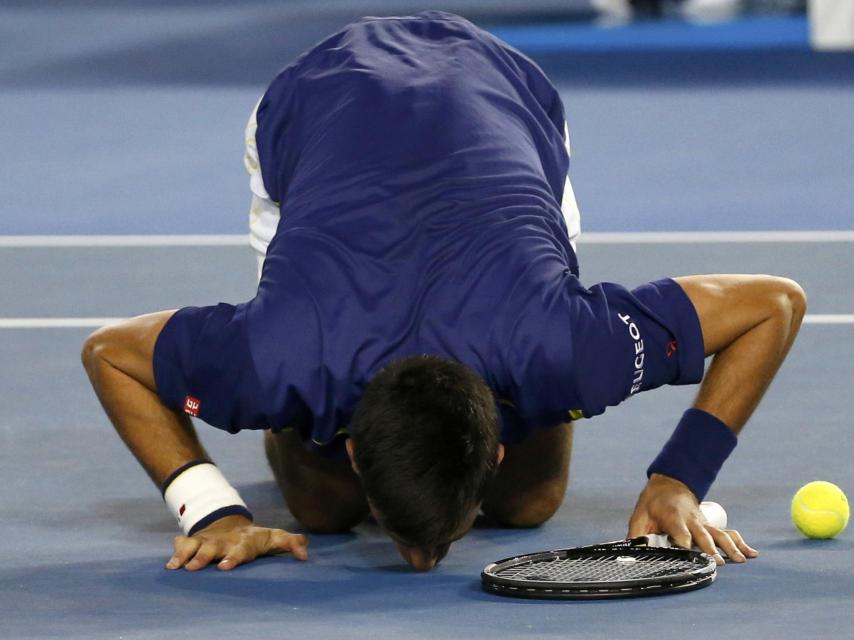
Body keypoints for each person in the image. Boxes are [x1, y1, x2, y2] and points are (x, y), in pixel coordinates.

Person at [81, 11, 805, 573]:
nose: (420, 562)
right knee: (320, 509)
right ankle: (304, 430)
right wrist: (210, 513)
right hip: (319, 100)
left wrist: (681, 476)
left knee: (530, 505)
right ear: (357, 450)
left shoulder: (566, 346)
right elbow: (109, 354)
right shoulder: (280, 357)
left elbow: (775, 305)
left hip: (500, 93)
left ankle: (508, 402)